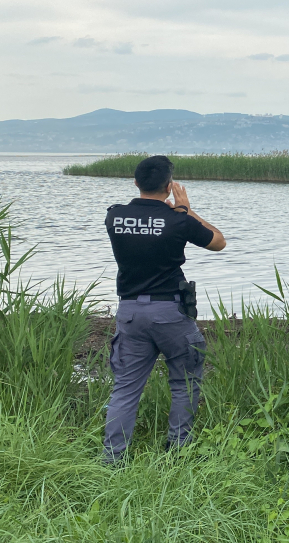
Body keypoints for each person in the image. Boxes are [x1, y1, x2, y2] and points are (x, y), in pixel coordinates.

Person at [102, 155, 227, 465]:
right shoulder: (178, 220)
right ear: (170, 187)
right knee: (185, 381)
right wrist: (186, 209)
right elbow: (218, 242)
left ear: (135, 182)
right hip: (170, 311)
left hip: (130, 311)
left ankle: (113, 459)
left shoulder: (115, 216)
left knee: (125, 389)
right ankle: (178, 451)